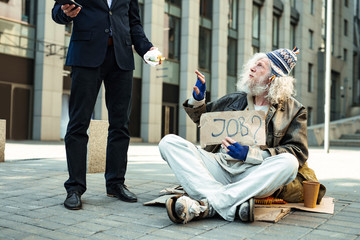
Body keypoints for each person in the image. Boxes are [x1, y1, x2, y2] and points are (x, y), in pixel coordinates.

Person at [159, 47, 309, 223]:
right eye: (254, 64)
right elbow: (203, 119)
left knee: (288, 163)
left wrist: (249, 154)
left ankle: (205, 206)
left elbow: (298, 152)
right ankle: (232, 201)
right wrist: (198, 99)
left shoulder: (294, 110)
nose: (252, 68)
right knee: (168, 142)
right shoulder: (236, 99)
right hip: (220, 166)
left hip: (254, 173)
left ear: (274, 77)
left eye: (260, 65)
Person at [52, 0, 157, 210]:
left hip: (121, 58)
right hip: (86, 55)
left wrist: (146, 48)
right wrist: (65, 14)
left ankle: (116, 183)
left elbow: (133, 22)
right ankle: (75, 187)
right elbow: (57, 11)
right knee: (78, 123)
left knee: (121, 125)